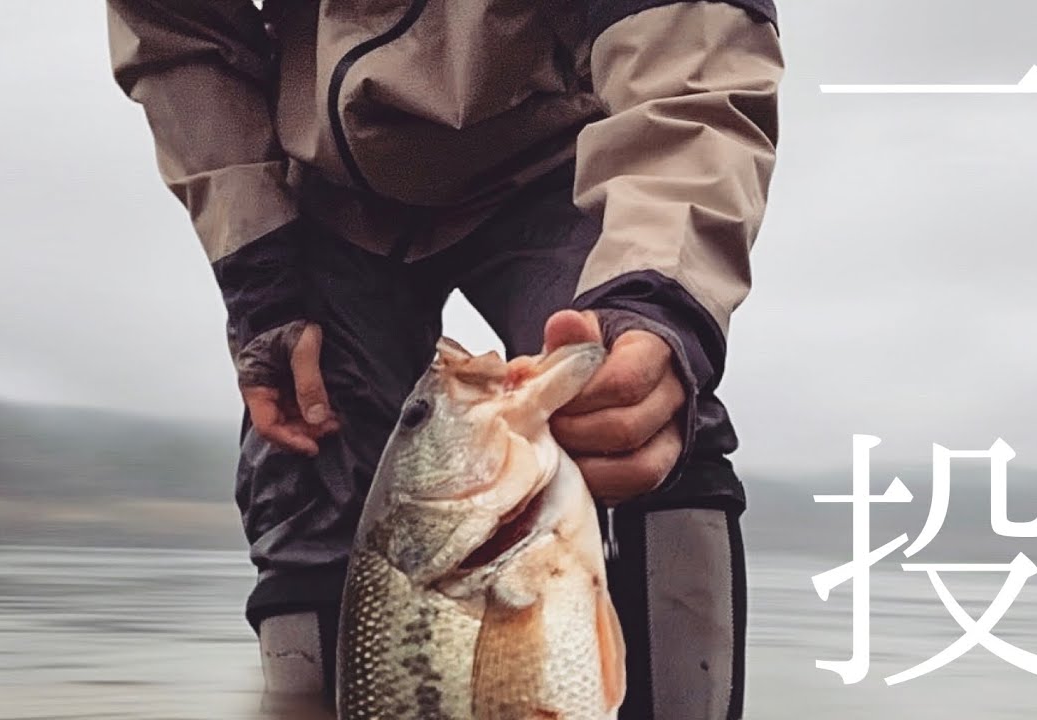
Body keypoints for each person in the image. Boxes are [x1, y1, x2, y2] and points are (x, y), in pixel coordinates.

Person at [106, 1, 781, 717]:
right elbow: (180, 31)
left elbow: (691, 54)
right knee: (308, 459)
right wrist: (263, 286)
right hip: (323, 189)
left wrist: (656, 298)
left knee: (638, 414)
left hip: (565, 151)